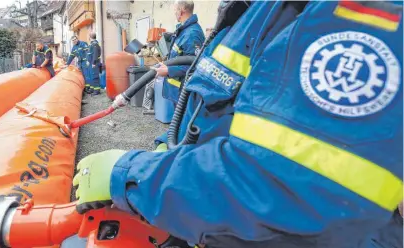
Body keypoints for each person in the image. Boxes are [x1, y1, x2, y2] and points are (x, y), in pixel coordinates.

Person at [73, 1, 403, 248]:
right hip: (215, 222)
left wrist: (130, 174)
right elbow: (210, 109)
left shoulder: (355, 19)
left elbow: (283, 186)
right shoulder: (256, 12)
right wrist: (167, 149)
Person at [152, 0, 205, 104]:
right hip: (177, 92)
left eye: (175, 10)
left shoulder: (192, 34)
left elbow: (196, 65)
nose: (174, 13)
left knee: (183, 120)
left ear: (181, 11)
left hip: (184, 94)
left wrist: (169, 71)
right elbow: (180, 57)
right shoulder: (183, 30)